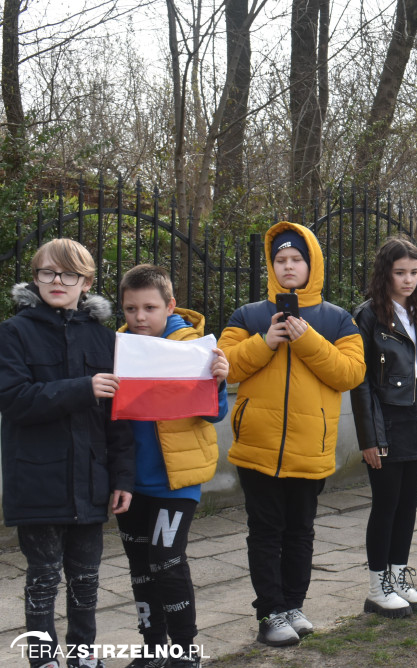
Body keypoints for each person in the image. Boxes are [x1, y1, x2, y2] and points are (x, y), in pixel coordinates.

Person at [218, 223, 365, 646]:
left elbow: (350, 374)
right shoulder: (248, 315)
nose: (288, 267)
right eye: (280, 260)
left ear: (311, 264)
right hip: (256, 448)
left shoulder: (338, 319)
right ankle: (270, 613)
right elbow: (225, 365)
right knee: (265, 531)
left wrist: (307, 340)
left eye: (296, 259)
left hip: (310, 448)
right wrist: (265, 342)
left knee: (300, 530)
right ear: (272, 266)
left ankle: (293, 605)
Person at [0, 238, 134, 668]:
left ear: (86, 282)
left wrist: (122, 479)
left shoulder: (105, 339)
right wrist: (82, 388)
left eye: (69, 274)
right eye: (47, 272)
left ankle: (83, 654)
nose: (57, 281)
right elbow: (14, 399)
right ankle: (43, 658)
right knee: (42, 577)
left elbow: (121, 418)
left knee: (86, 578)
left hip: (91, 480)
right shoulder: (13, 332)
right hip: (37, 478)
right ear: (34, 276)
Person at [117, 264, 230, 668]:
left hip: (176, 482)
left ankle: (184, 649)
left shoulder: (194, 347)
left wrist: (217, 380)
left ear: (170, 305)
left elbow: (214, 414)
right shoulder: (118, 348)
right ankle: (153, 647)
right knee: (140, 568)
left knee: (166, 561)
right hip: (130, 483)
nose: (140, 317)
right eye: (131, 309)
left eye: (149, 307)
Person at [351, 237, 417, 618]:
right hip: (388, 422)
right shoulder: (368, 316)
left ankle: (399, 578)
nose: (408, 280)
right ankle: (378, 588)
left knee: (408, 506)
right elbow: (361, 382)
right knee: (386, 506)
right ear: (385, 273)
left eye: (414, 272)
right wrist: (371, 437)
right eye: (400, 272)